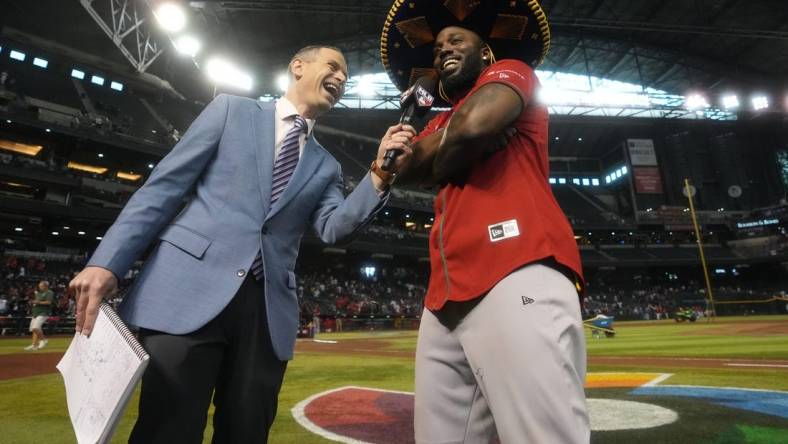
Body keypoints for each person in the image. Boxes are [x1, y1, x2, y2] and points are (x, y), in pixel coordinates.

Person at [68, 45, 415, 443]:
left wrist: (380, 172)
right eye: (333, 66)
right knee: (168, 430)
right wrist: (107, 263)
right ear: (297, 65)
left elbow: (335, 229)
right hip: (187, 294)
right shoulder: (230, 110)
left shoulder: (327, 167)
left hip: (266, 312)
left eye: (346, 78)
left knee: (247, 433)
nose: (340, 79)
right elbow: (163, 188)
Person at [381, 2, 589, 442]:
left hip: (517, 267)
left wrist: (450, 144)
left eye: (456, 41)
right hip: (443, 298)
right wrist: (453, 142)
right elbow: (406, 167)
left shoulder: (513, 71)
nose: (443, 51)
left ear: (487, 53)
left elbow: (475, 125)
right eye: (437, 47)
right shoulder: (437, 117)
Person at [25, 280, 54, 350]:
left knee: (36, 327)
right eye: (39, 286)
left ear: (46, 286)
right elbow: (35, 301)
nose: (40, 287)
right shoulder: (38, 293)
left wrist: (38, 302)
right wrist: (32, 302)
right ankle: (34, 345)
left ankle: (43, 340)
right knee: (34, 329)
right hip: (36, 313)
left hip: (43, 312)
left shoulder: (49, 292)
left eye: (41, 286)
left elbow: (49, 302)